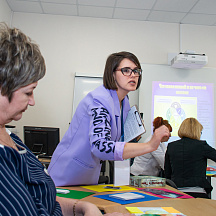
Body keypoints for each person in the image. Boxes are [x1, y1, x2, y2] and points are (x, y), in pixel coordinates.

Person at [0, 22, 132, 216]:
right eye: (28, 92)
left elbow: (43, 200)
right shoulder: (100, 99)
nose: (32, 101)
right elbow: (102, 146)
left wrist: (82, 207)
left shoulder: (14, 140)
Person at [48, 51, 170, 186]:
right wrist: (149, 145)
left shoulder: (124, 101)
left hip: (88, 175)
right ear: (112, 74)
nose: (133, 75)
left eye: (136, 71)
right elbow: (101, 147)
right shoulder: (99, 100)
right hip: (66, 174)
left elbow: (118, 140)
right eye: (126, 70)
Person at [164, 117, 216, 198]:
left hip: (176, 193)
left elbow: (167, 172)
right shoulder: (201, 146)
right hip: (198, 193)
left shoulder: (171, 146)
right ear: (197, 131)